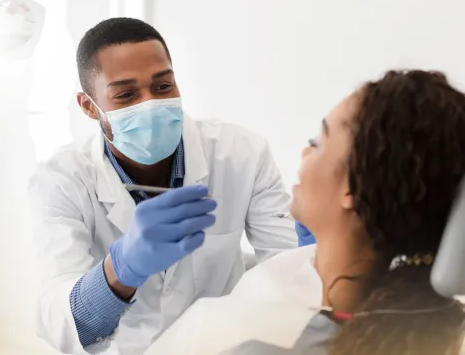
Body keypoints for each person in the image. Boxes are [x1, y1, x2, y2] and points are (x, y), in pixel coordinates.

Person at [28, 17, 303, 355]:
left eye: (162, 87)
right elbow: (61, 320)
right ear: (89, 106)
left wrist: (314, 260)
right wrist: (120, 271)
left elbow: (290, 266)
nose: (150, 104)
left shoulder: (242, 152)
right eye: (126, 95)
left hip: (225, 346)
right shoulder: (60, 180)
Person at [144, 69, 465, 355]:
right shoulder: (442, 324)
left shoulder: (238, 336)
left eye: (318, 142)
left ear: (352, 190)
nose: (304, 152)